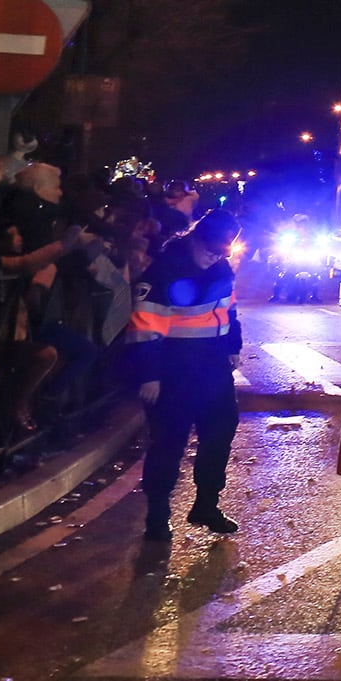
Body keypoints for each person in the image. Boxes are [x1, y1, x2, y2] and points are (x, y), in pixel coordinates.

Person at [125, 210, 244, 541]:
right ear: (195, 238)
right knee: (168, 444)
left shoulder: (221, 268)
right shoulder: (164, 271)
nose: (213, 257)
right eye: (209, 249)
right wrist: (149, 375)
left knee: (219, 436)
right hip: (173, 370)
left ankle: (206, 505)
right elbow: (144, 328)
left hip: (213, 367)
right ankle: (158, 516)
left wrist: (233, 345)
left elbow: (229, 312)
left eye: (220, 251)